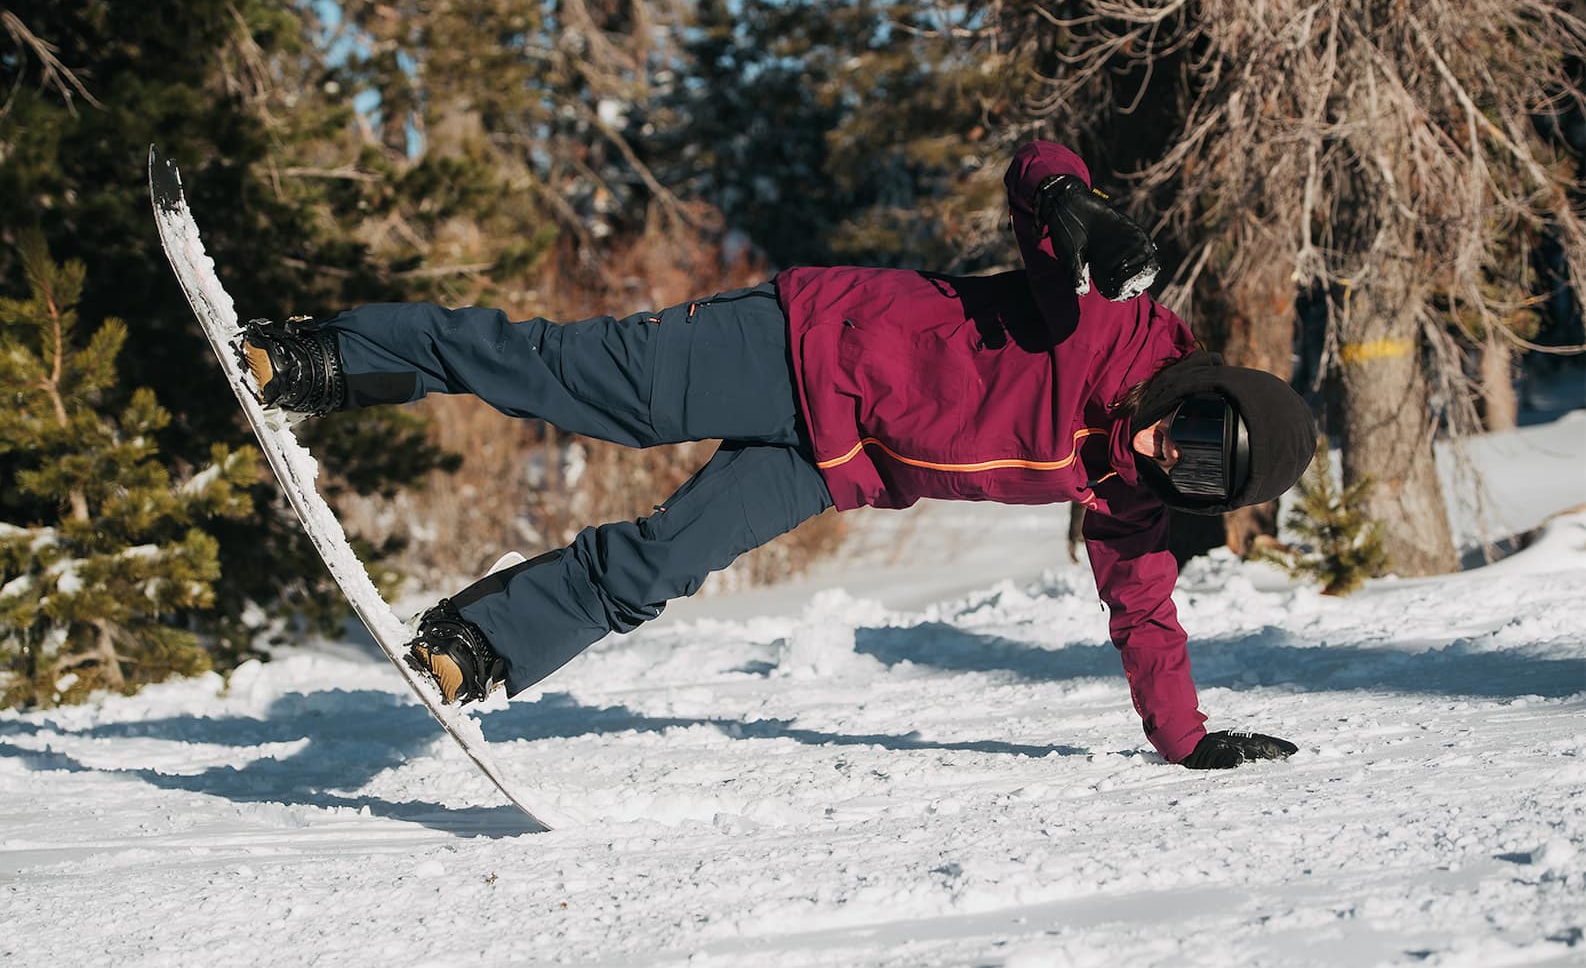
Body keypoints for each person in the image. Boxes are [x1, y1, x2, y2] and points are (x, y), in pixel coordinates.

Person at [239, 141, 1317, 771]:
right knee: (562, 378)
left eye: (1192, 470)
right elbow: (1034, 173)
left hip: (831, 459)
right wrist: (1073, 201)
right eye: (1191, 426)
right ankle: (325, 356)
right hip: (793, 342)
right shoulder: (1101, 325)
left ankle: (475, 646)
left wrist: (1185, 741)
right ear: (1201, 387)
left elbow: (1144, 613)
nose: (1165, 448)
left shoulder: (1126, 495)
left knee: (663, 562)